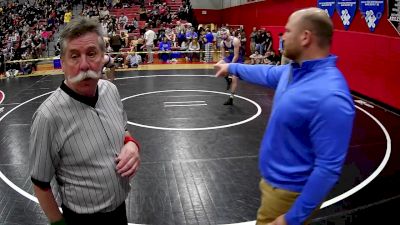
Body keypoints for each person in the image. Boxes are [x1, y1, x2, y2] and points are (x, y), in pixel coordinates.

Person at [214, 7, 355, 225]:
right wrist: (231, 67)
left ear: (305, 37)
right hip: (272, 184)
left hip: (288, 196)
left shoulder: (329, 95)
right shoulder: (295, 71)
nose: (283, 37)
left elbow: (328, 168)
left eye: (288, 31)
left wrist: (289, 219)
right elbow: (268, 73)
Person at [29, 17, 141, 225]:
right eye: (74, 56)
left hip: (120, 211)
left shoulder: (111, 90)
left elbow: (123, 130)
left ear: (103, 57)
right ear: (62, 63)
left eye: (91, 54)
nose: (84, 65)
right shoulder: (48, 117)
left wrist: (131, 144)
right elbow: (40, 184)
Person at [219, 28, 244, 105]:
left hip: (238, 58)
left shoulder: (235, 41)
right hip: (231, 57)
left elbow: (236, 56)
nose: (223, 36)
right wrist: (224, 64)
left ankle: (231, 98)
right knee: (218, 66)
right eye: (222, 34)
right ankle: (227, 79)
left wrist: (230, 67)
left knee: (234, 79)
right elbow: (223, 56)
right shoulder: (222, 43)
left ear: (228, 34)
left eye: (224, 34)